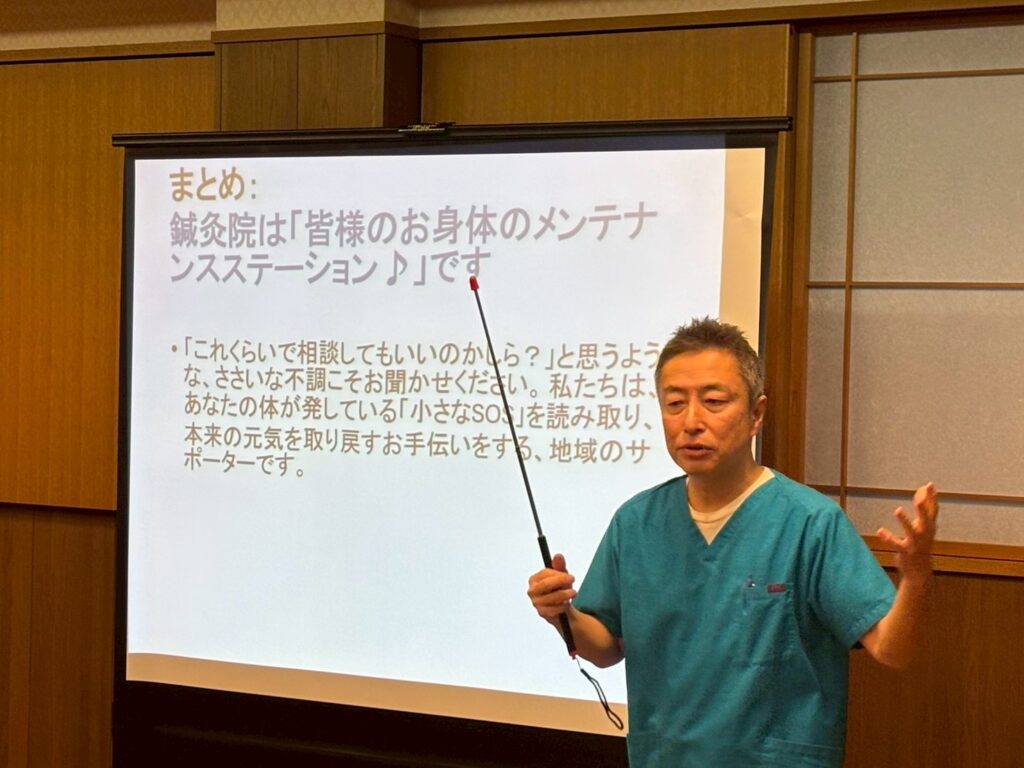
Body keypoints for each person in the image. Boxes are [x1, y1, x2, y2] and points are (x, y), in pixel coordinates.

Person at [528, 317, 938, 767]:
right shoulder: (637, 523)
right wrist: (562, 614)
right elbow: (606, 647)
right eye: (674, 403)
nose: (691, 422)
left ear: (756, 414)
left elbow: (892, 649)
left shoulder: (809, 523)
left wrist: (916, 579)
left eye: (714, 402)